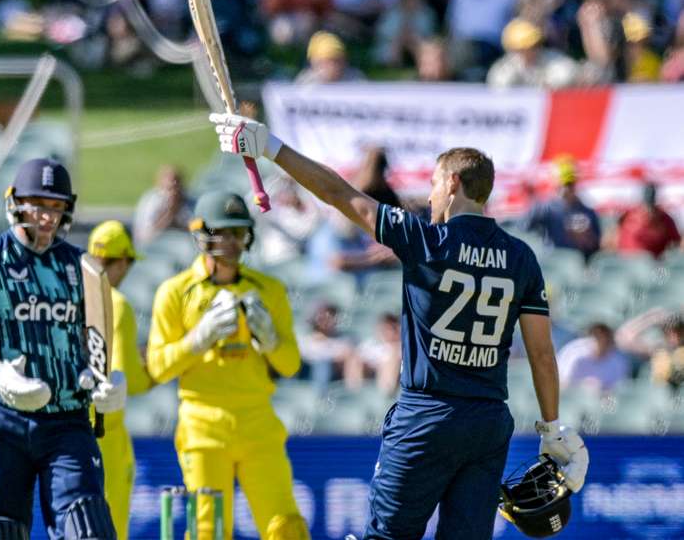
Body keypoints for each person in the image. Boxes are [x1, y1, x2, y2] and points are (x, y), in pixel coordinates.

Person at [209, 113, 589, 539]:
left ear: (452, 184)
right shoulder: (522, 257)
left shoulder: (426, 239)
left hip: (426, 416)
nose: (429, 198)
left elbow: (339, 193)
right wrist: (552, 426)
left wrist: (270, 147)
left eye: (432, 184)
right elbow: (540, 352)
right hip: (487, 421)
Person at [0, 158, 126, 540]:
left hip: (66, 418)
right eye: (37, 205)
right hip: (0, 416)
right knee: (0, 530)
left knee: (87, 525)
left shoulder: (82, 267)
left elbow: (96, 344)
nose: (46, 217)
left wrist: (107, 384)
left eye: (56, 207)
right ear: (16, 202)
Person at [146, 190, 309, 540]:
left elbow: (291, 364)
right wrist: (196, 341)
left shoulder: (268, 290)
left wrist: (271, 342)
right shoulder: (175, 292)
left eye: (238, 233)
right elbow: (158, 367)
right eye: (224, 232)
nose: (233, 242)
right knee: (207, 530)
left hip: (258, 422)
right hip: (202, 425)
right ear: (202, 233)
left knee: (287, 527)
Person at [87, 220, 155, 540]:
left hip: (64, 432)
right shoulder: (118, 304)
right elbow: (127, 381)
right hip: (106, 433)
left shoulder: (69, 297)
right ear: (121, 261)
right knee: (110, 528)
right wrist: (158, 368)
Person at [524, 159, 602, 260]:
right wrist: (533, 200)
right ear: (555, 185)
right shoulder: (545, 209)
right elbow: (525, 228)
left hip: (578, 263)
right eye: (563, 184)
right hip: (553, 261)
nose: (566, 189)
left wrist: (585, 237)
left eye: (570, 184)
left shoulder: (588, 212)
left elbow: (596, 246)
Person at [486, 18, 579, 89]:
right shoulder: (504, 67)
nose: (529, 51)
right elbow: (498, 88)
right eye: (522, 48)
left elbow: (568, 74)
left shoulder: (554, 60)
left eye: (533, 46)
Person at [611, 182, 681, 258]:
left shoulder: (664, 218)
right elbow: (612, 240)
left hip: (654, 265)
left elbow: (676, 241)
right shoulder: (628, 215)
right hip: (627, 263)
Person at [556, 323, 630, 393]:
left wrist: (599, 391)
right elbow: (560, 384)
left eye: (606, 336)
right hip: (572, 399)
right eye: (597, 335)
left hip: (602, 402)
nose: (602, 340)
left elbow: (617, 394)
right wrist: (582, 386)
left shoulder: (618, 361)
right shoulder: (574, 353)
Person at [295, 31, 364, 84]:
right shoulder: (306, 82)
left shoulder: (356, 79)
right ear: (314, 63)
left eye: (336, 61)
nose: (332, 66)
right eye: (326, 62)